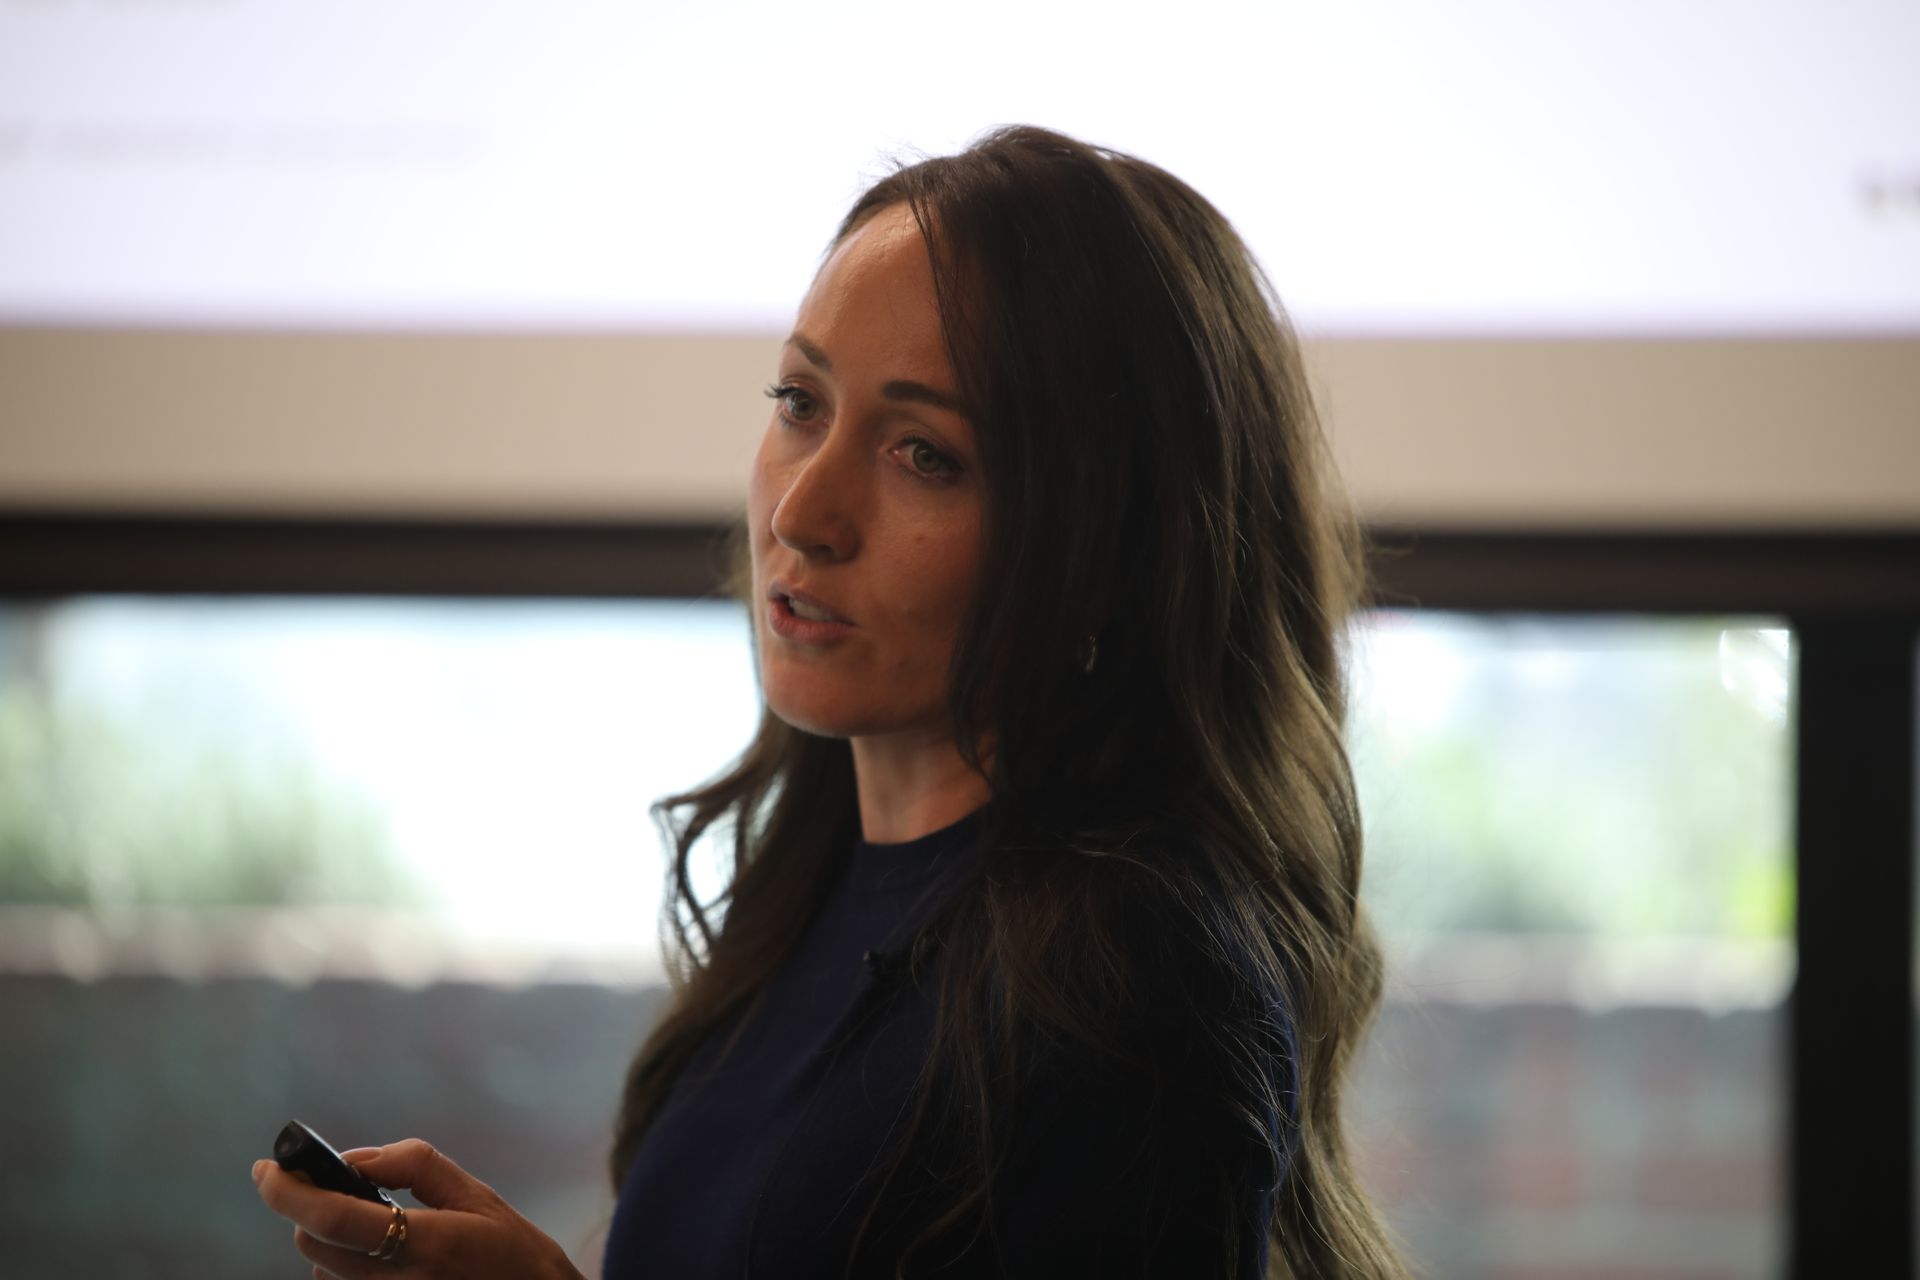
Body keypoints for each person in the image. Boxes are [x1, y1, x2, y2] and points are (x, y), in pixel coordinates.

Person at [252, 124, 1407, 1279]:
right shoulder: (806, 891)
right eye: (800, 401)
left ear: (1112, 551)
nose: (801, 511)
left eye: (924, 453)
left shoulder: (1142, 982)